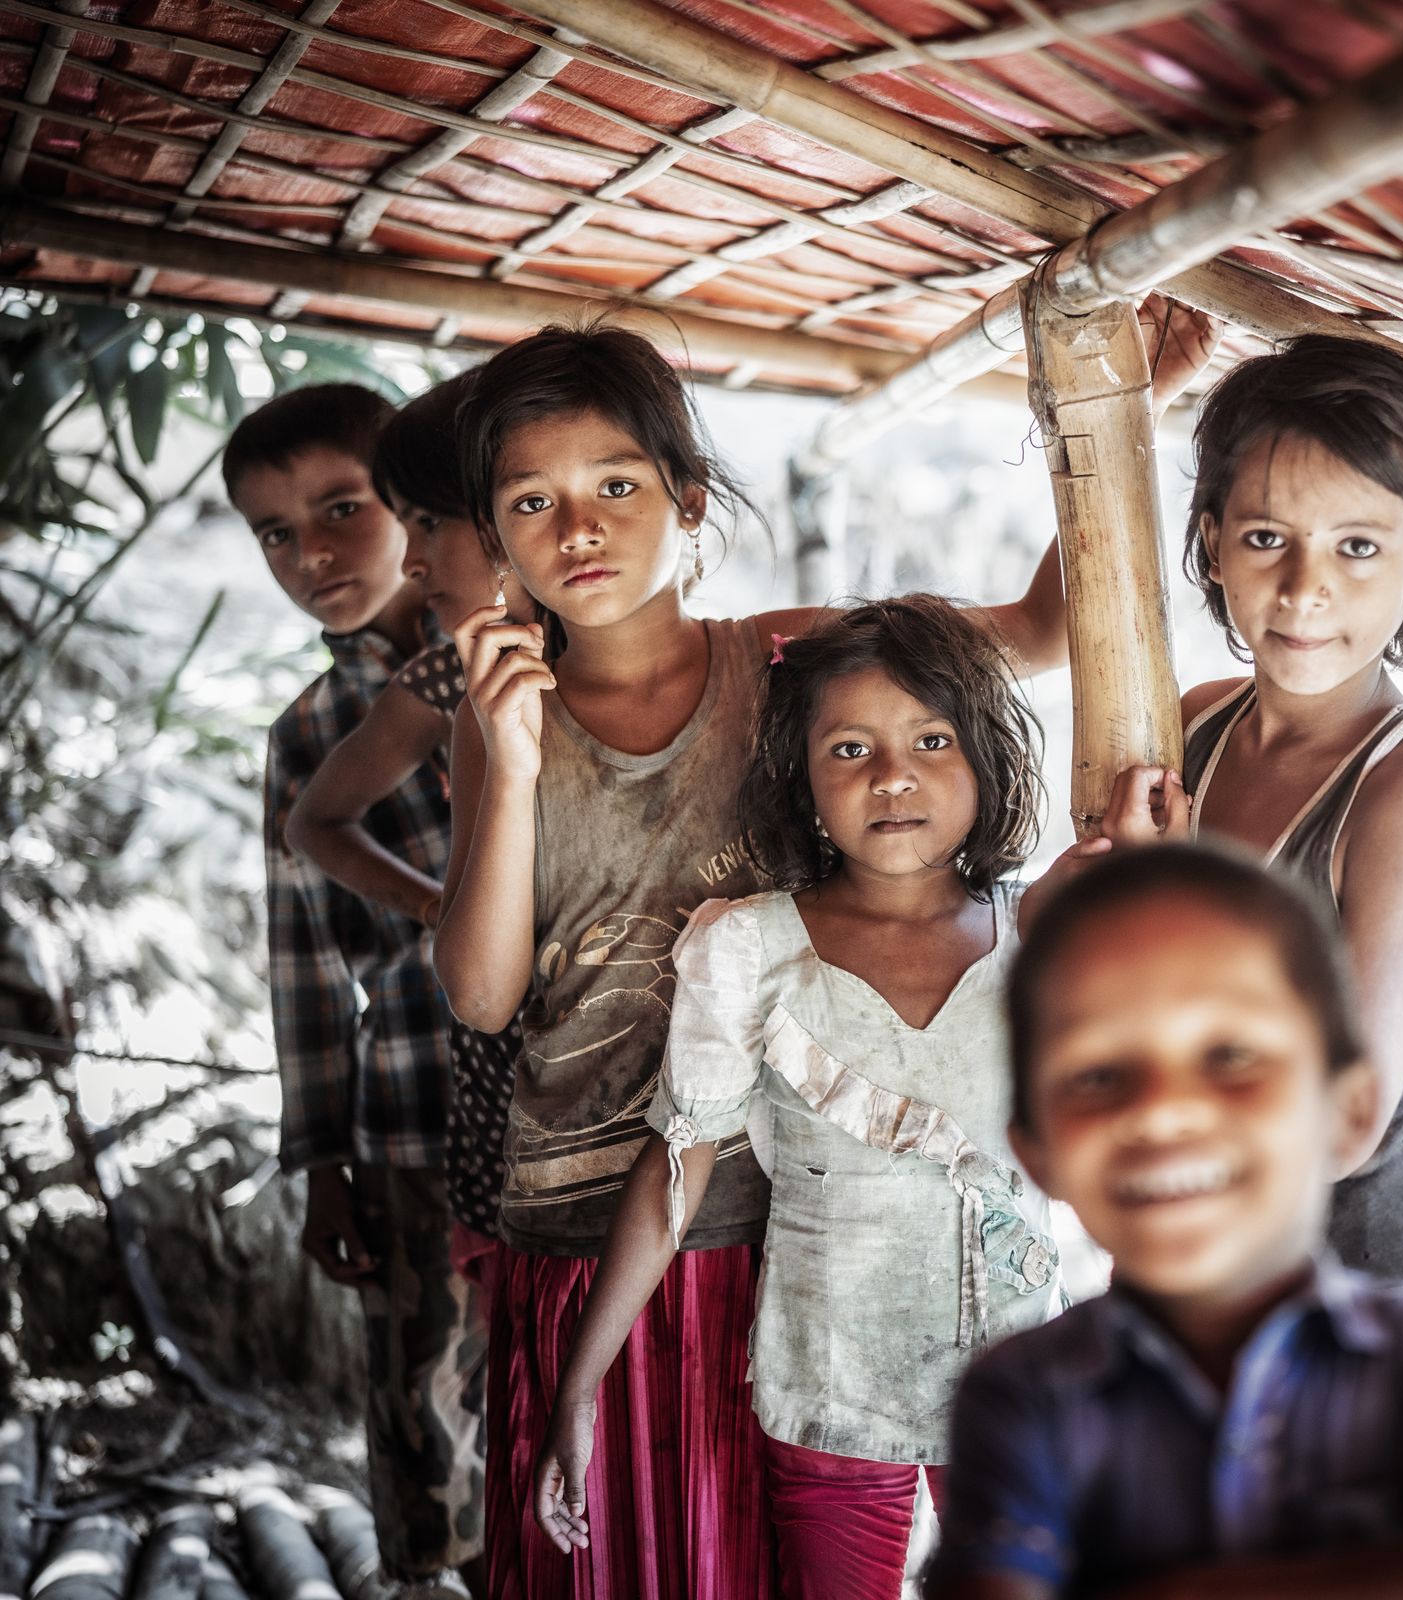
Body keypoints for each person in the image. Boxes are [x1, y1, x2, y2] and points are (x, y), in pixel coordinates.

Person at [432, 308, 1218, 1594]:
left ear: (690, 500)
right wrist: (513, 763)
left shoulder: (788, 663)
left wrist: (1118, 415)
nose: (578, 529)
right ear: (496, 539)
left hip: (790, 1234)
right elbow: (481, 993)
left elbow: (1031, 628)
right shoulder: (503, 720)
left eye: (617, 485)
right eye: (532, 502)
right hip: (592, 1223)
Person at [533, 597, 1060, 1599]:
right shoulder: (748, 947)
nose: (892, 774)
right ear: (803, 781)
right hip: (825, 1394)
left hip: (1020, 1396)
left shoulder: (1039, 930)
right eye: (849, 747)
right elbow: (677, 1161)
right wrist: (580, 1381)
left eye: (931, 738)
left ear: (986, 761)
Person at [1101, 334, 1403, 1433]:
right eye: (1265, 538)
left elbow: (1345, 1118)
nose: (1304, 590)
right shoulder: (1195, 729)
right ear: (1208, 543)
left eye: (1357, 546)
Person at [926, 843, 1403, 1599]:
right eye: (1099, 1074)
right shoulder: (1023, 1393)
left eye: (1230, 1056)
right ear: (1036, 1153)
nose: (1164, 1109)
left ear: (1347, 1110)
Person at [228, 383, 487, 1594]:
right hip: (410, 1109)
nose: (312, 552)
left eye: (343, 508)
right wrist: (322, 1157)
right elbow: (304, 963)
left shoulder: (529, 649)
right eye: (275, 531)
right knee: (426, 1397)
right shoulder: (306, 732)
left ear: (418, 508)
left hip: (563, 1096)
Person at [288, 370, 531, 1267]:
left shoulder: (662, 667)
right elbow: (315, 824)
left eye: (427, 522)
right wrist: (439, 905)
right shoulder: (447, 683)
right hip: (483, 1113)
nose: (413, 558)